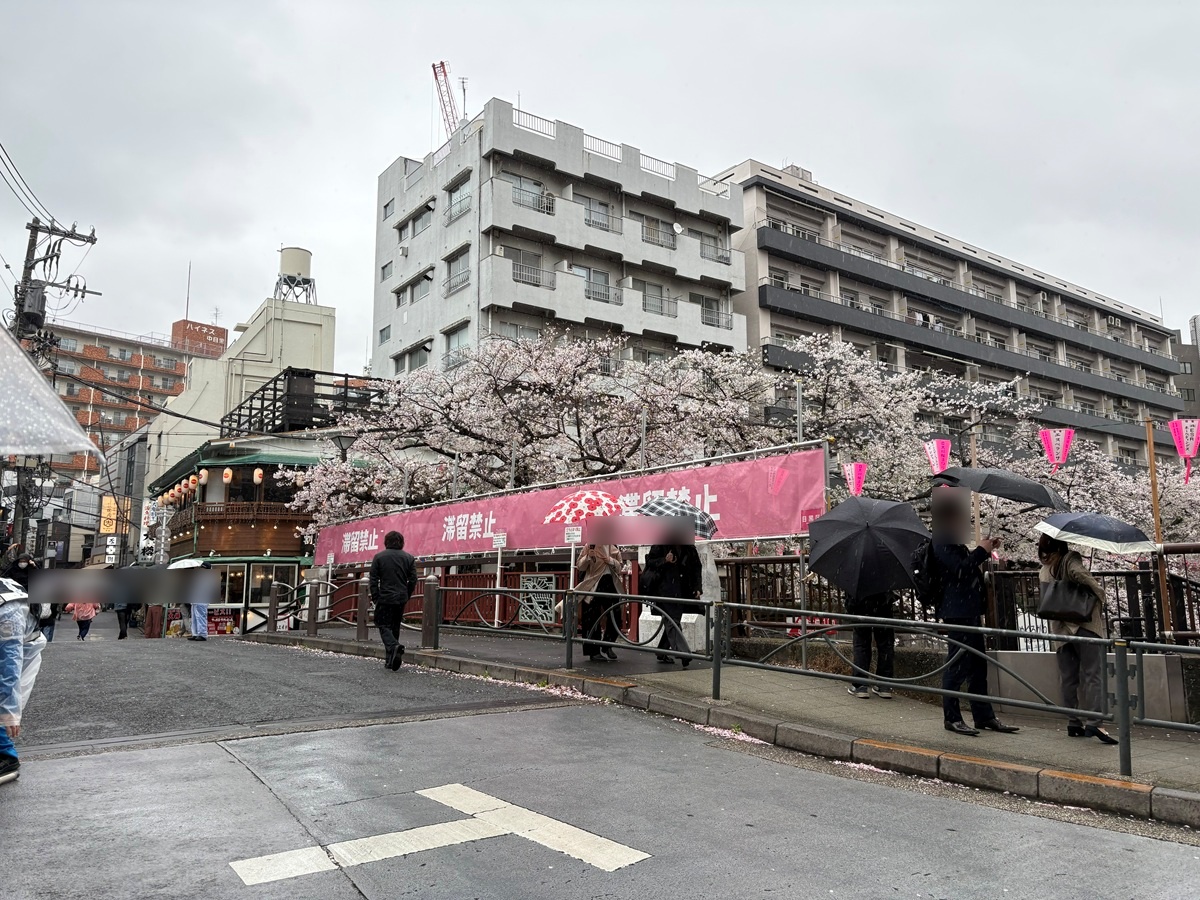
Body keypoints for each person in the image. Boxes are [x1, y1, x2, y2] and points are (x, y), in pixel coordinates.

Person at [931, 497, 1019, 736]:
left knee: (978, 665)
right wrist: (981, 551)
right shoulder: (941, 539)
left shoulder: (952, 540)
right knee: (957, 664)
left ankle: (984, 716)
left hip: (967, 610)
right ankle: (952, 717)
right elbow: (960, 569)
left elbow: (963, 564)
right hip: (957, 611)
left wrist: (984, 549)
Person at [1038, 535, 1118, 744]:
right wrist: (1099, 593)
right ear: (1062, 545)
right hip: (1084, 627)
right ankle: (1095, 723)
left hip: (1061, 631)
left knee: (1069, 678)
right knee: (1093, 675)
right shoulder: (1069, 559)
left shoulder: (1045, 568)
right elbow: (1080, 575)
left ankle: (1073, 721)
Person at [1, 577, 47, 786]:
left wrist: (10, 712)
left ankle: (6, 756)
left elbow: (9, 663)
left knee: (2, 700)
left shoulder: (6, 613)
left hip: (24, 649)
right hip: (10, 644)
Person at [641, 529, 702, 668]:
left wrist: (697, 587)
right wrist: (664, 560)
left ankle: (661, 651)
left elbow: (696, 567)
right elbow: (650, 562)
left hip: (681, 591)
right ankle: (683, 653)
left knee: (673, 620)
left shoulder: (689, 547)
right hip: (664, 589)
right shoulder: (661, 543)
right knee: (672, 621)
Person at [369, 531, 417, 671]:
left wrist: (375, 596)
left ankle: (393, 648)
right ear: (401, 542)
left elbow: (373, 579)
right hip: (401, 597)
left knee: (383, 624)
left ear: (386, 542)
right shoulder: (408, 558)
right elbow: (413, 579)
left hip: (385, 596)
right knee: (395, 626)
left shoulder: (379, 557)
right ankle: (390, 659)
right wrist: (407, 594)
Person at [575, 544, 623, 662]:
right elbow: (580, 566)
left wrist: (611, 561)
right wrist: (588, 557)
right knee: (592, 617)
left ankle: (607, 644)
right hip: (593, 583)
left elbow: (619, 567)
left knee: (616, 615)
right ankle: (593, 651)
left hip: (610, 582)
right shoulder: (590, 545)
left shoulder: (614, 546)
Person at [845, 591, 896, 699]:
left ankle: (860, 684)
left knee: (861, 644)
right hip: (883, 602)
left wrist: (851, 604)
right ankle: (884, 684)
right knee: (886, 644)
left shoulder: (857, 577)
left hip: (861, 603)